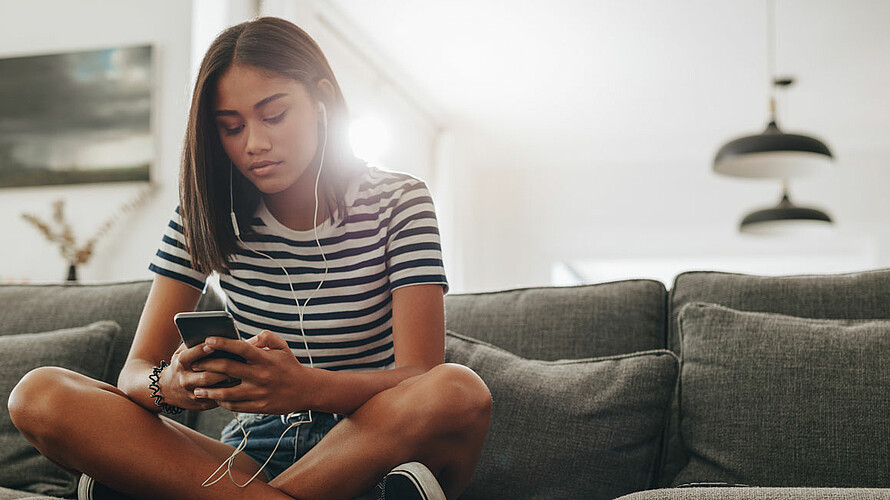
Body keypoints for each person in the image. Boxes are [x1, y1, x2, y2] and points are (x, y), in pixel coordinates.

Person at [8, 16, 492, 500]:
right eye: (231, 128)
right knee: (38, 395)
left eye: (274, 116)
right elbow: (134, 372)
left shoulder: (400, 201)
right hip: (250, 455)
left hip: (369, 441)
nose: (254, 144)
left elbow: (419, 376)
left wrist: (305, 388)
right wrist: (170, 384)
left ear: (321, 101)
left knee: (458, 390)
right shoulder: (206, 211)